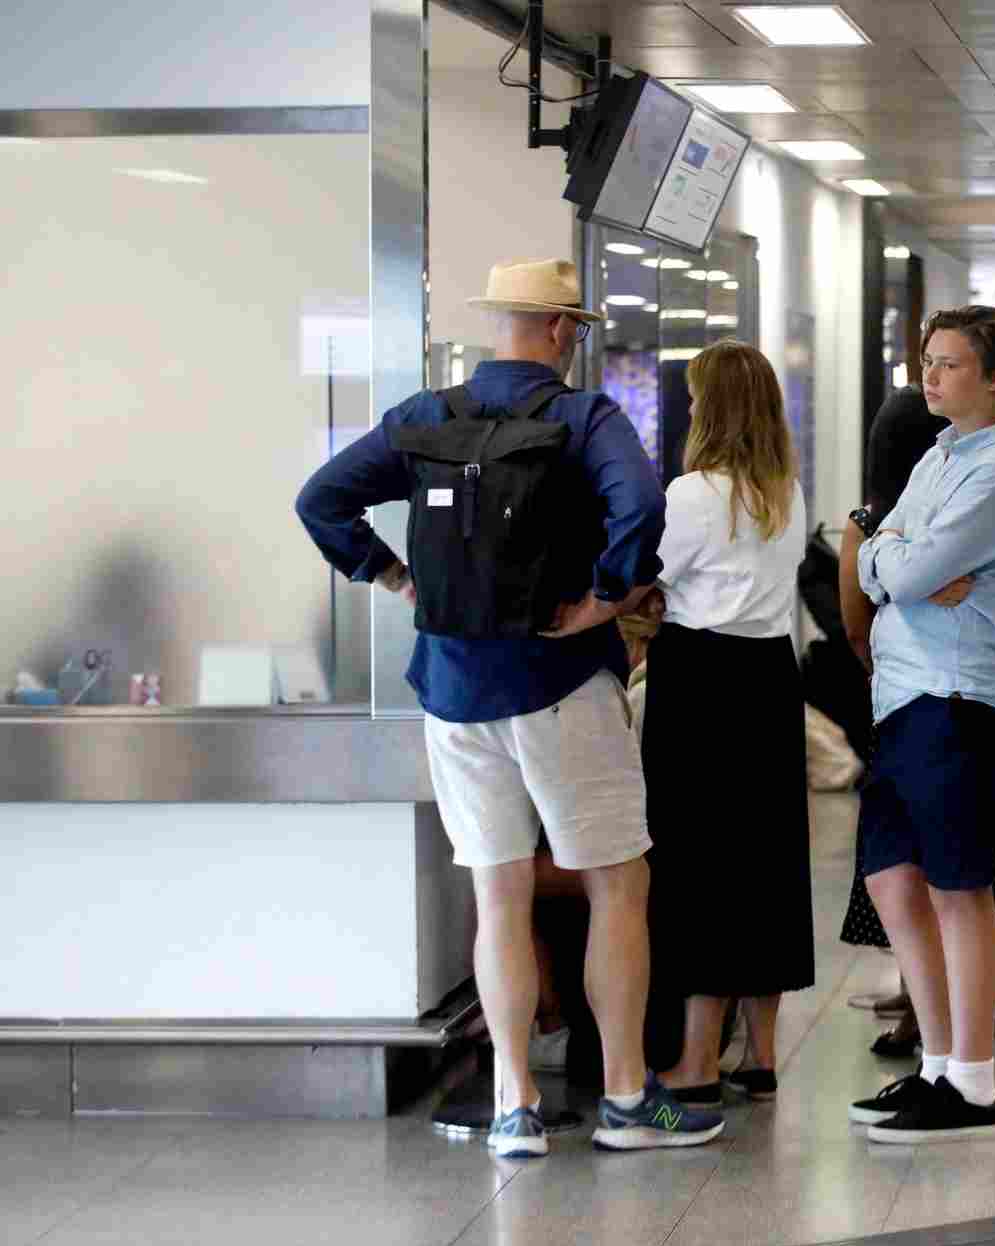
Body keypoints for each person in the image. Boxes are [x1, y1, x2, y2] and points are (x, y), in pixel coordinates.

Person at [293, 256, 719, 1158]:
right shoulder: (580, 414)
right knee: (617, 883)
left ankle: (515, 1105)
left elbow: (320, 498)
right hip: (561, 685)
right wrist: (608, 597)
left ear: (502, 325)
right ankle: (627, 1098)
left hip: (452, 690)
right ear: (562, 329)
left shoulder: (425, 415)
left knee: (499, 893)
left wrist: (391, 573)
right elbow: (639, 505)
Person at [844, 307, 995, 1143]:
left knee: (958, 888)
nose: (931, 377)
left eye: (952, 364)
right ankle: (934, 1064)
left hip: (960, 695)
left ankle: (973, 1081)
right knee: (894, 879)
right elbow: (879, 553)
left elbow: (904, 562)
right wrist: (897, 555)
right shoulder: (938, 455)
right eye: (928, 361)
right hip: (903, 694)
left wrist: (897, 556)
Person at [645, 341, 811, 1105]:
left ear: (707, 409)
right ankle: (763, 1055)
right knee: (766, 861)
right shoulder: (787, 493)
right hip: (769, 679)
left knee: (697, 863)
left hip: (700, 681)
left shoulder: (692, 494)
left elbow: (644, 579)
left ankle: (698, 1061)